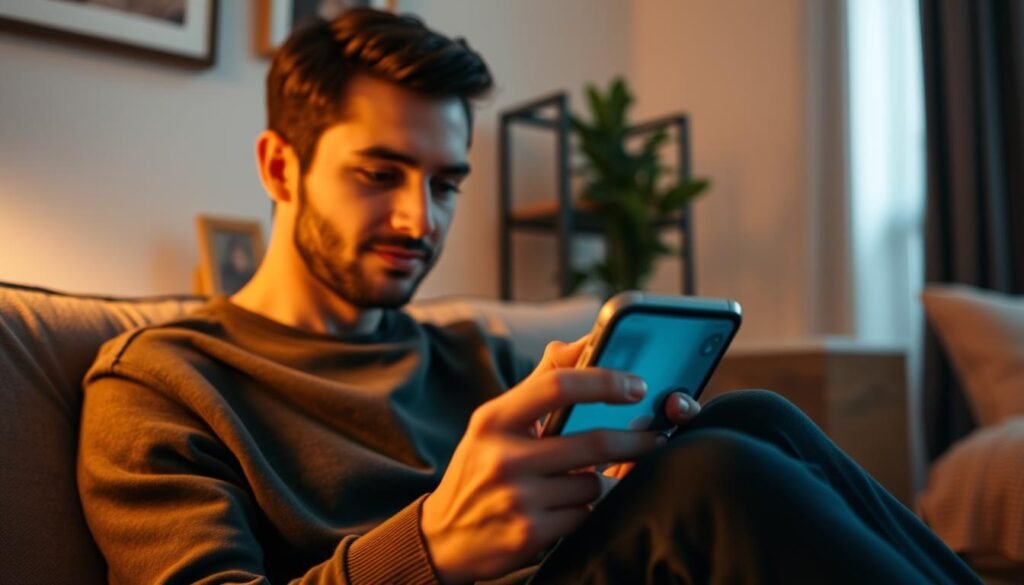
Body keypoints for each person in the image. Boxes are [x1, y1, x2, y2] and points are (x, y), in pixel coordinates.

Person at [76, 8, 981, 585]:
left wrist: (623, 474)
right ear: (281, 166)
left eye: (445, 183)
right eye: (378, 173)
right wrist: (425, 546)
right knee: (717, 473)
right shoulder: (161, 382)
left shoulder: (474, 357)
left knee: (751, 419)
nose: (416, 216)